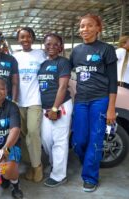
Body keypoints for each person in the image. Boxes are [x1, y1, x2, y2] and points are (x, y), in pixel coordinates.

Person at [70, 14, 118, 192]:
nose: (85, 29)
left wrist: (111, 108)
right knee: (78, 140)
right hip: (81, 100)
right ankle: (89, 161)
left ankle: (90, 176)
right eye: (82, 26)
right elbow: (66, 72)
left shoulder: (106, 49)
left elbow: (113, 80)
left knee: (95, 139)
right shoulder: (76, 51)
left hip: (100, 100)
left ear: (98, 28)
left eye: (90, 26)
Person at [37, 33, 73, 188]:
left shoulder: (63, 62)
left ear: (61, 47)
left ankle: (59, 175)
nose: (51, 47)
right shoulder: (43, 64)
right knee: (46, 140)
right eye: (48, 44)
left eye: (55, 44)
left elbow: (63, 87)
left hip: (60, 107)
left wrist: (55, 108)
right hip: (46, 109)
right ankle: (54, 164)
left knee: (59, 140)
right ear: (44, 46)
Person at [13, 27, 46, 182]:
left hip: (35, 101)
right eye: (22, 37)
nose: (25, 40)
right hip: (19, 102)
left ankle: (37, 168)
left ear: (33, 38)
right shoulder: (15, 56)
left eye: (28, 37)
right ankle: (30, 164)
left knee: (33, 133)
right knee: (24, 134)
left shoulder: (40, 54)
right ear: (18, 40)